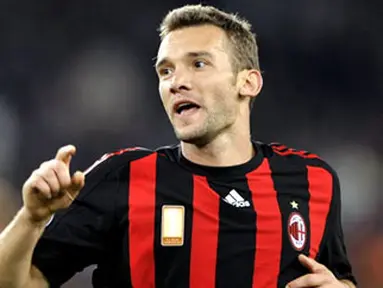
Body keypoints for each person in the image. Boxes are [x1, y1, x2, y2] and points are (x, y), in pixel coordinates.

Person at [0, 4, 356, 288]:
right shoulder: (122, 177)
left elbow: (339, 277)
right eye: (165, 71)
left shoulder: (313, 181)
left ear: (248, 82)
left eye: (198, 64)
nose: (176, 82)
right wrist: (31, 219)